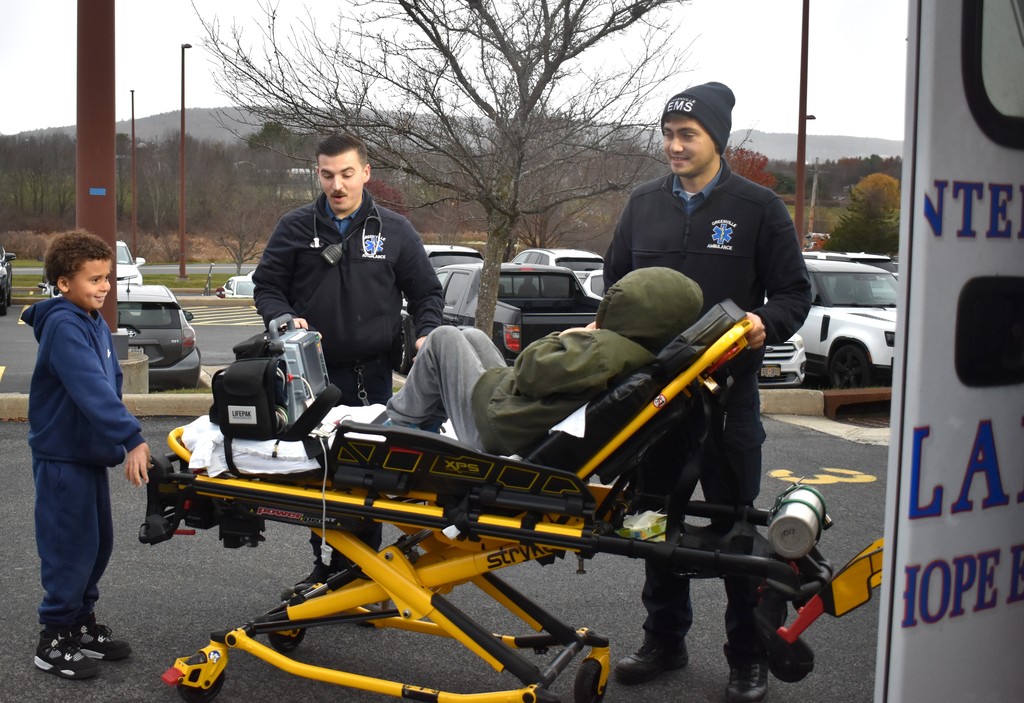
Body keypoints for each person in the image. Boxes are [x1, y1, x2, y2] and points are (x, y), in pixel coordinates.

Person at [603, 82, 811, 703]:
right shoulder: (642, 205)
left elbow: (795, 295)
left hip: (727, 402)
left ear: (715, 140)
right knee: (651, 521)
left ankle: (747, 657)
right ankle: (663, 640)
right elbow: (615, 288)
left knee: (736, 532)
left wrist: (763, 324)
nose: (673, 145)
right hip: (656, 403)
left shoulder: (758, 207)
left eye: (686, 135)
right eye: (667, 134)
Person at [253, 133, 444, 587]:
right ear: (318, 174)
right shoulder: (295, 227)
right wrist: (281, 316)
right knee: (322, 475)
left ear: (366, 172)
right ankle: (327, 568)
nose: (336, 185)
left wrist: (429, 334)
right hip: (312, 377)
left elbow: (426, 293)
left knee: (369, 474)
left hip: (373, 377)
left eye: (346, 174)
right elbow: (267, 286)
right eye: (327, 175)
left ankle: (364, 573)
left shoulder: (394, 230)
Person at [386, 267, 703, 455]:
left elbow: (528, 370)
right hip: (516, 417)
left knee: (444, 337)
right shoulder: (638, 352)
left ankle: (399, 423)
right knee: (471, 335)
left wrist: (573, 334)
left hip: (495, 430)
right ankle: (427, 416)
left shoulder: (601, 351)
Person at [21, 231, 152, 680]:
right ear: (63, 283)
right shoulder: (63, 324)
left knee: (96, 547)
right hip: (62, 459)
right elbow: (91, 390)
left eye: (107, 278)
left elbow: (109, 381)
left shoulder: (91, 319)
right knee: (68, 550)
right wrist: (131, 437)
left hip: (88, 455)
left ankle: (80, 623)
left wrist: (113, 442)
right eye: (94, 279)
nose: (104, 287)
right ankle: (53, 638)